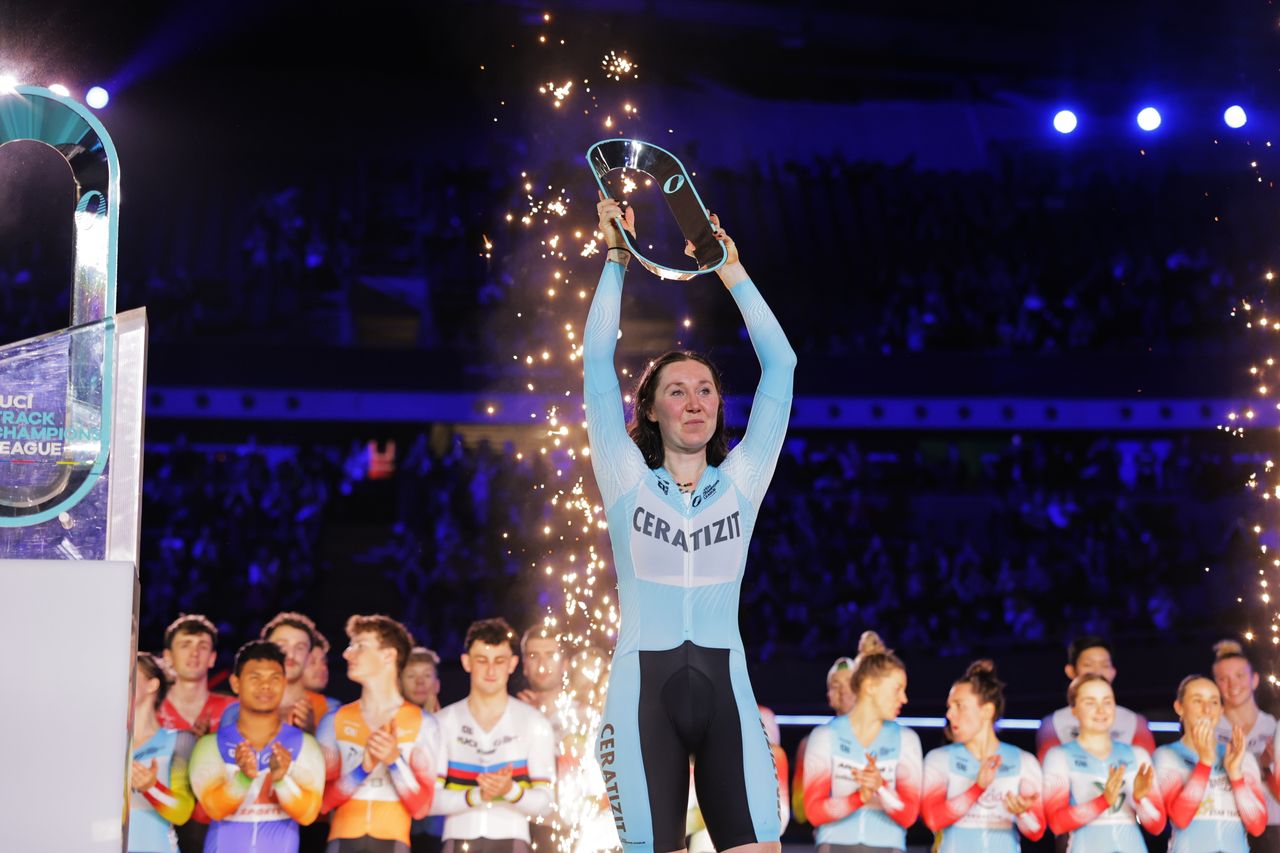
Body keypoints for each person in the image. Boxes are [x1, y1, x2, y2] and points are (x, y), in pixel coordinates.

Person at [584, 192, 796, 853]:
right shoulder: (624, 478)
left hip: (727, 689)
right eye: (676, 389)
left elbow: (782, 366)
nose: (695, 399)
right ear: (648, 409)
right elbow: (595, 362)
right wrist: (617, 256)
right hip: (641, 697)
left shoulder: (741, 480)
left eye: (705, 388)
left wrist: (729, 267)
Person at [319, 614, 443, 851]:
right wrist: (361, 770)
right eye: (349, 646)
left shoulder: (423, 723)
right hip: (341, 841)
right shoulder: (334, 720)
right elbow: (322, 803)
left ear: (388, 655)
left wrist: (394, 761)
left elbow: (421, 808)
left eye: (360, 646)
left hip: (394, 842)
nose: (347, 654)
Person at [432, 617, 556, 853]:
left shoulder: (534, 723)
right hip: (457, 840)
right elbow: (427, 801)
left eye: (499, 661)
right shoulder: (442, 723)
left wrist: (510, 790)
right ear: (466, 662)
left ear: (512, 664)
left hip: (513, 840)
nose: (491, 670)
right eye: (482, 660)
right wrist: (477, 795)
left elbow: (546, 804)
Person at [188, 641, 325, 852]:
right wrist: (242, 779)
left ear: (285, 683)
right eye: (255, 678)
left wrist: (281, 780)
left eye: (275, 678)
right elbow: (213, 809)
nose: (265, 686)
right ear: (235, 683)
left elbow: (308, 815)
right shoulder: (210, 745)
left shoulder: (305, 745)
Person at [802, 632, 919, 853]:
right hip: (833, 846)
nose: (904, 699)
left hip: (889, 847)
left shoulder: (907, 739)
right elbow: (813, 811)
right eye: (897, 689)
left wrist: (880, 788)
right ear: (870, 686)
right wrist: (859, 798)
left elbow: (909, 815)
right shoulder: (825, 735)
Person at [921, 660, 1045, 851]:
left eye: (959, 706)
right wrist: (977, 788)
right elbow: (932, 819)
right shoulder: (938, 759)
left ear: (987, 710)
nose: (950, 714)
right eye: (949, 706)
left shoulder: (1024, 761)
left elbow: (1037, 832)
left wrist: (1023, 813)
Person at [1042, 674, 1165, 852]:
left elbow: (1157, 826)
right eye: (1090, 702)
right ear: (1074, 710)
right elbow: (1057, 823)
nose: (1101, 710)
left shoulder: (1137, 755)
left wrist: (1140, 799)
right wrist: (1103, 801)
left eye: (1107, 702)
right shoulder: (1058, 756)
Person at [1154, 674, 1268, 852]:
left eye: (1214, 702)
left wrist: (1236, 775)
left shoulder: (1240, 756)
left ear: (1221, 710)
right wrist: (1204, 763)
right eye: (1197, 701)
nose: (1207, 709)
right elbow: (1181, 819)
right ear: (1179, 707)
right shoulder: (1166, 755)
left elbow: (1257, 826)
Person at [157, 614, 238, 853]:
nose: (194, 653)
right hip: (161, 821)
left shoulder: (232, 709)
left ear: (212, 658)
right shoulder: (149, 708)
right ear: (168, 657)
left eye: (202, 646)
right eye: (185, 645)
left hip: (218, 824)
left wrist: (210, 746)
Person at [1035, 636, 1155, 762]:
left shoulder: (1135, 722)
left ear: (1113, 672)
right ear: (1070, 671)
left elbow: (1146, 771)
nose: (1097, 672)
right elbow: (1051, 772)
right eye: (1088, 665)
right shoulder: (1052, 724)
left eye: (1105, 665)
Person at [1214, 639, 1280, 851]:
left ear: (1254, 680)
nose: (1233, 685)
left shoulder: (1273, 726)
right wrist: (1256, 763)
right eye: (1223, 679)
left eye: (1240, 676)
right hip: (1227, 825)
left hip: (1273, 828)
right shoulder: (1209, 731)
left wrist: (1266, 769)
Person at [130, 652, 196, 853]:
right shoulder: (106, 745)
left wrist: (151, 787)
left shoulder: (180, 740)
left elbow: (182, 812)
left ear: (152, 685)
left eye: (130, 675)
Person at [792, 657, 856, 827]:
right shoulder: (810, 743)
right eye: (836, 685)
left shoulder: (883, 736)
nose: (843, 691)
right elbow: (800, 811)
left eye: (850, 683)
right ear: (829, 696)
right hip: (830, 838)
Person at [402, 646, 447, 853]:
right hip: (401, 828)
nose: (420, 682)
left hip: (438, 831)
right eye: (412, 675)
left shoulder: (450, 723)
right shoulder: (390, 723)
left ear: (437, 684)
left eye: (426, 676)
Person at [304, 628, 341, 719]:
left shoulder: (333, 708)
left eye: (324, 662)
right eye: (312, 662)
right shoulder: (273, 703)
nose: (323, 668)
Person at [402, 647, 443, 715]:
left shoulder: (451, 721)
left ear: (437, 685)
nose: (420, 682)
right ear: (399, 683)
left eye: (427, 675)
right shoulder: (388, 722)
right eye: (411, 676)